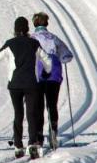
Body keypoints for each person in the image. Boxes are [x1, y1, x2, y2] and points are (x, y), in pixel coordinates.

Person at [0, 16, 44, 159]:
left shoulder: (10, 44)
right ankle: (33, 142)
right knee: (31, 113)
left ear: (15, 29)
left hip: (15, 85)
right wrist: (45, 72)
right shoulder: (34, 43)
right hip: (31, 84)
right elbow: (47, 61)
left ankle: (17, 144)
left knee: (18, 113)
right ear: (27, 29)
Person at [31, 11, 74, 150]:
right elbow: (67, 55)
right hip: (54, 74)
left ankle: (38, 136)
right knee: (52, 104)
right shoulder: (54, 38)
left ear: (34, 24)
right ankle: (53, 131)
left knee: (38, 106)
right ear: (46, 23)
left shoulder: (31, 38)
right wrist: (62, 58)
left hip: (37, 75)